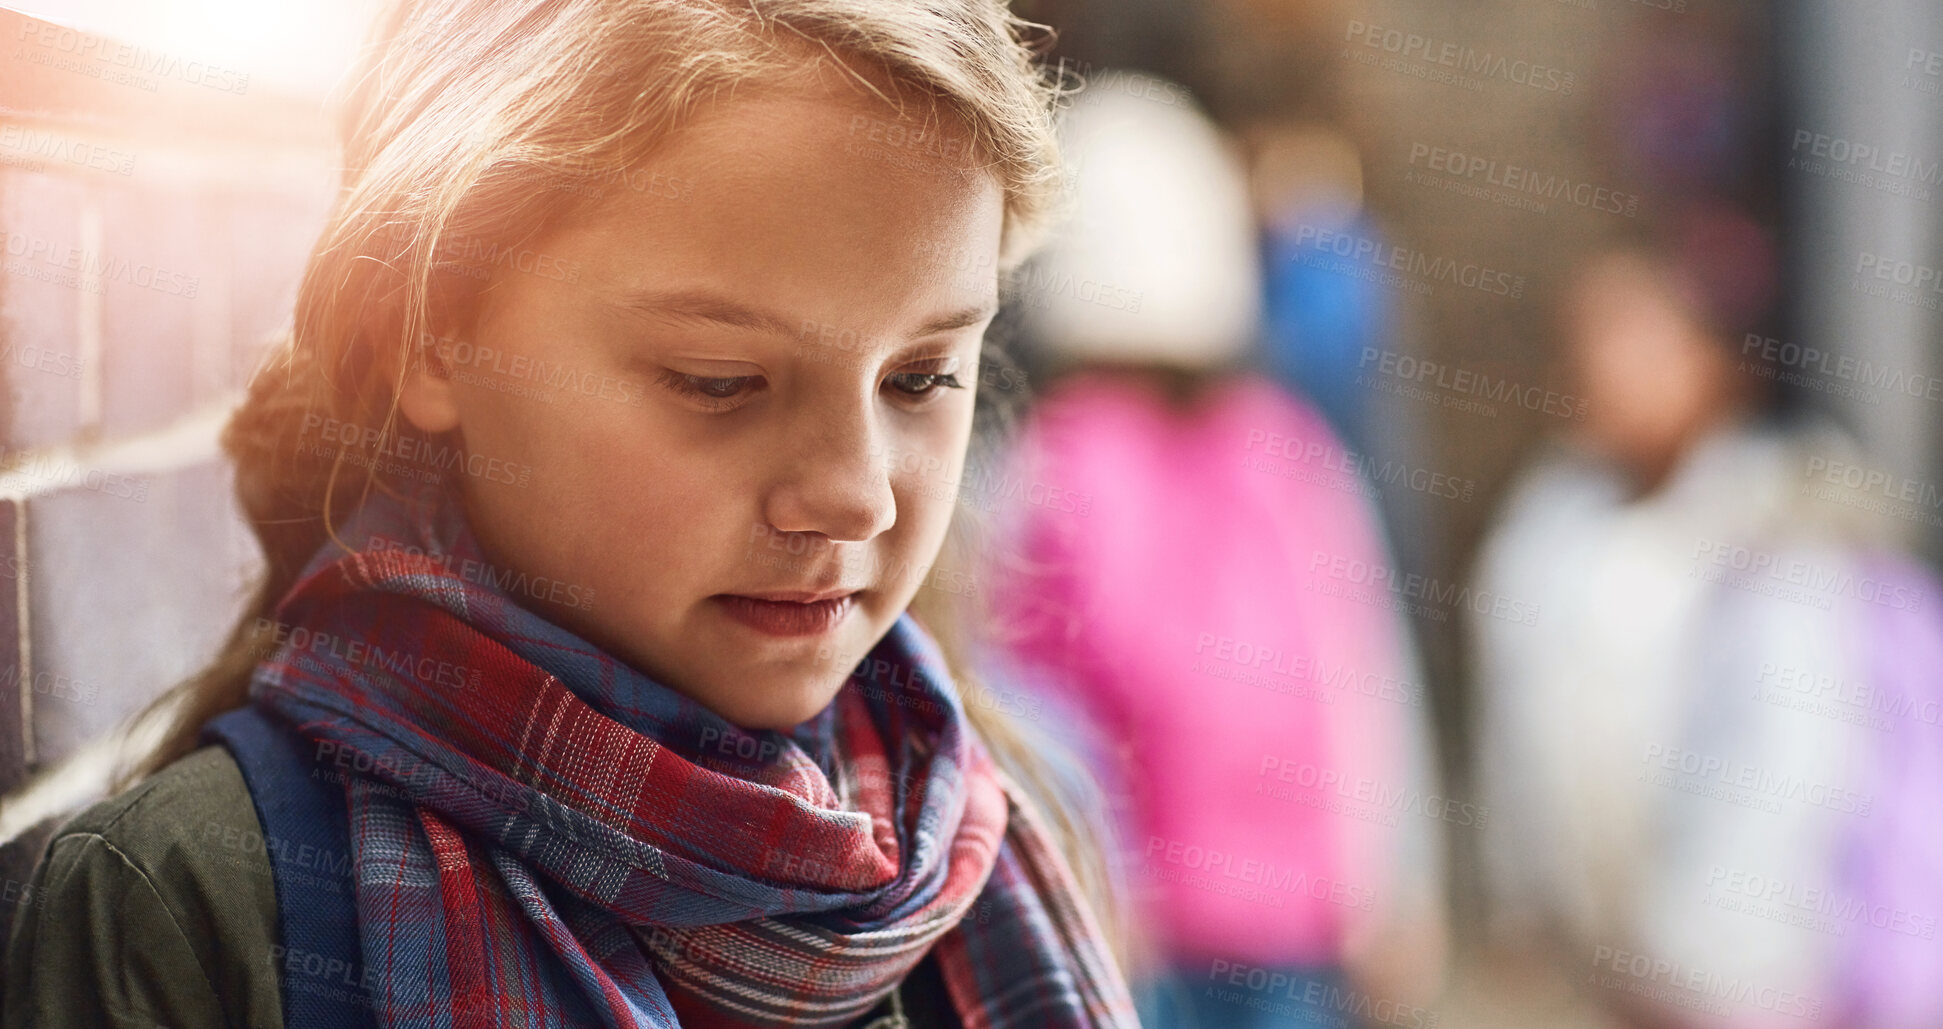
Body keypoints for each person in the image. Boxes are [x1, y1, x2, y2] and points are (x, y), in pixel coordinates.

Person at [1, 2, 1140, 1027]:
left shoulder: (1000, 825)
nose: (854, 493)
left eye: (920, 377)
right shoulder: (198, 902)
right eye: (717, 380)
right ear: (431, 335)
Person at [982, 74, 1447, 1029]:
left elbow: (1020, 689)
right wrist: (1394, 880)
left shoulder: (1055, 459)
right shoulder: (1283, 446)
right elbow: (1366, 677)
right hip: (1259, 925)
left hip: (1158, 923)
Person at [1470, 232, 1943, 1028]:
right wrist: (1521, 898)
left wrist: (1697, 950)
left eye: (1630, 337)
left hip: (1759, 978)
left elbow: (1794, 769)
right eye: (1581, 340)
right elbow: (1517, 727)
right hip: (1612, 970)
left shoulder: (1786, 528)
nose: (1596, 365)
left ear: (1710, 353)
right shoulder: (1548, 527)